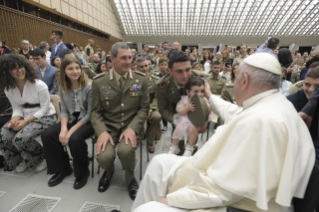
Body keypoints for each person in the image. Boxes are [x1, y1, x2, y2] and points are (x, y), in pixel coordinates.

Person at [132, 53, 315, 212]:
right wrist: (210, 97)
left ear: (244, 81)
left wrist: (172, 200)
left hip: (245, 205)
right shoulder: (276, 104)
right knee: (159, 161)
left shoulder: (260, 121)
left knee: (148, 208)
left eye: (235, 78)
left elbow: (225, 190)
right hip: (244, 191)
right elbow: (235, 113)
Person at [91, 42, 149, 200]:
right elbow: (95, 111)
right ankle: (108, 173)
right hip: (109, 127)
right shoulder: (99, 82)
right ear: (112, 58)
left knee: (125, 151)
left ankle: (131, 179)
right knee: (104, 156)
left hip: (130, 126)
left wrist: (132, 128)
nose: (128, 62)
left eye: (130, 57)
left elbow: (144, 108)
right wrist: (102, 131)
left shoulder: (140, 80)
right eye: (123, 58)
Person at [41, 57, 94, 189]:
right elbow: (64, 111)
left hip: (90, 121)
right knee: (47, 135)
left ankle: (82, 172)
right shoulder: (63, 87)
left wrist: (69, 131)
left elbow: (90, 113)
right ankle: (63, 168)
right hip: (71, 119)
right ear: (64, 71)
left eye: (77, 68)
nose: (75, 71)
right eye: (70, 69)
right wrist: (64, 128)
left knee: (74, 138)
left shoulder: (90, 86)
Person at [0, 54, 57, 172]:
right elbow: (17, 108)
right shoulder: (8, 88)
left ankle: (41, 157)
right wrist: (14, 121)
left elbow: (45, 109)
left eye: (21, 66)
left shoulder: (39, 85)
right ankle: (20, 159)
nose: (19, 70)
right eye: (13, 68)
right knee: (3, 136)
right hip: (25, 116)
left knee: (20, 139)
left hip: (46, 116)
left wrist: (25, 121)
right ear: (6, 71)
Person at [156, 52, 207, 154]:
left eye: (188, 70)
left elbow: (206, 102)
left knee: (191, 142)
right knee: (177, 143)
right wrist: (175, 120)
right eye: (179, 71)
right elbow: (163, 109)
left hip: (195, 114)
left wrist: (205, 121)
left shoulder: (199, 78)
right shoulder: (162, 85)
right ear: (170, 71)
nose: (185, 75)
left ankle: (191, 151)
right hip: (176, 114)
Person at [168, 77, 211, 157]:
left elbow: (208, 112)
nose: (200, 94)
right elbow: (179, 110)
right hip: (185, 119)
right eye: (196, 91)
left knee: (194, 129)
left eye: (202, 91)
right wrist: (187, 108)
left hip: (196, 121)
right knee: (178, 129)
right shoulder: (185, 99)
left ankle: (189, 149)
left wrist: (207, 105)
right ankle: (173, 148)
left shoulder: (204, 99)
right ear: (188, 92)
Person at [136, 58, 161, 153]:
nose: (144, 69)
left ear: (149, 66)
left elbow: (157, 97)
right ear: (137, 68)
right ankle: (136, 138)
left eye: (146, 66)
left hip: (152, 107)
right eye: (141, 67)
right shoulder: (133, 80)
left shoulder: (155, 80)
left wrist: (150, 109)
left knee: (157, 116)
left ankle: (150, 142)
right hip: (137, 108)